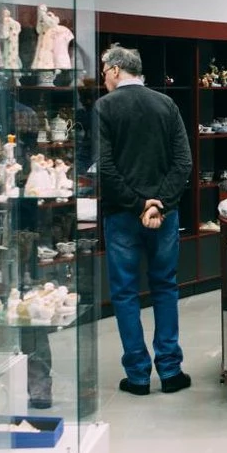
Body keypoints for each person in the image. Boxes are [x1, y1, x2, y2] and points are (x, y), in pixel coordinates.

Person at [95, 44, 193, 396]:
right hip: (163, 215)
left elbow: (105, 167)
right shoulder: (166, 104)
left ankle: (137, 376)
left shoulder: (104, 107)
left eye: (104, 72)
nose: (103, 79)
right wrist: (158, 205)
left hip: (122, 215)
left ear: (116, 70)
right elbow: (183, 162)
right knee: (165, 286)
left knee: (124, 293)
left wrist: (138, 205)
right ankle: (170, 370)